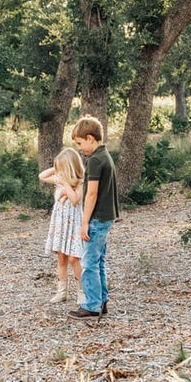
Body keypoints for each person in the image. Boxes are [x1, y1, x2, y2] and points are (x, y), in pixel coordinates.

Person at [69, 115, 117, 320]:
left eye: (80, 143)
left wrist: (84, 222)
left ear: (90, 138)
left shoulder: (95, 161)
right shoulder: (105, 155)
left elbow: (91, 194)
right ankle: (101, 300)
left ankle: (91, 305)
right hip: (107, 216)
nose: (80, 149)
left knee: (89, 262)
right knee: (98, 261)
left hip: (97, 218)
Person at [38, 147, 85, 304]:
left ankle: (81, 292)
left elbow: (75, 200)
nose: (60, 172)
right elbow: (42, 176)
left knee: (74, 258)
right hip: (60, 222)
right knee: (61, 258)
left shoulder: (79, 182)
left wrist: (66, 185)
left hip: (74, 224)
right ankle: (62, 292)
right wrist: (57, 167)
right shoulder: (59, 179)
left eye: (63, 168)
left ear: (70, 167)